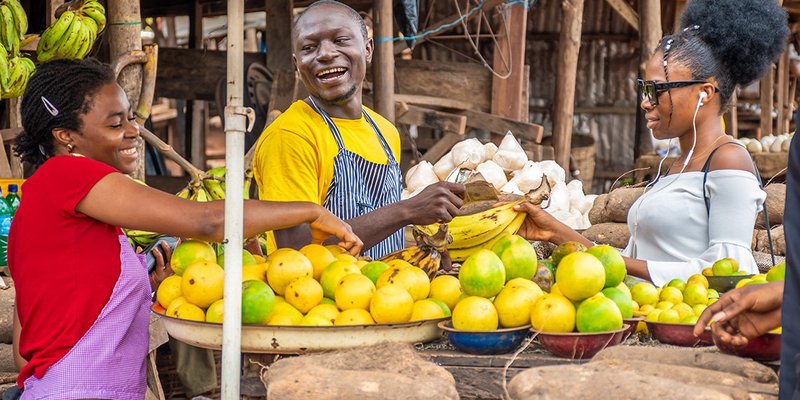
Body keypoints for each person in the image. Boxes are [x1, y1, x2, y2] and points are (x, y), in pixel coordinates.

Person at [8, 58, 362, 399]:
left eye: (131, 118)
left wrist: (143, 288)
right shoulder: (66, 174)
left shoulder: (43, 205)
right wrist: (310, 212)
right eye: (116, 124)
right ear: (66, 135)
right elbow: (207, 221)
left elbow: (29, 346)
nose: (134, 131)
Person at [514, 0, 788, 287]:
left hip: (688, 326)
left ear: (704, 93)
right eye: (644, 88)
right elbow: (631, 264)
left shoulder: (728, 160)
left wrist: (604, 258)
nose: (645, 102)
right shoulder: (676, 166)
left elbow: (729, 274)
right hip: (646, 321)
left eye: (656, 89)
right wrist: (555, 233)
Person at [253, 0, 464, 260]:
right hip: (317, 297)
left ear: (367, 49)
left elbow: (384, 230)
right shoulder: (291, 136)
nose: (325, 54)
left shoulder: (385, 131)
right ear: (297, 62)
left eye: (340, 40)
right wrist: (406, 210)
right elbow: (295, 249)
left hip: (385, 291)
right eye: (309, 47)